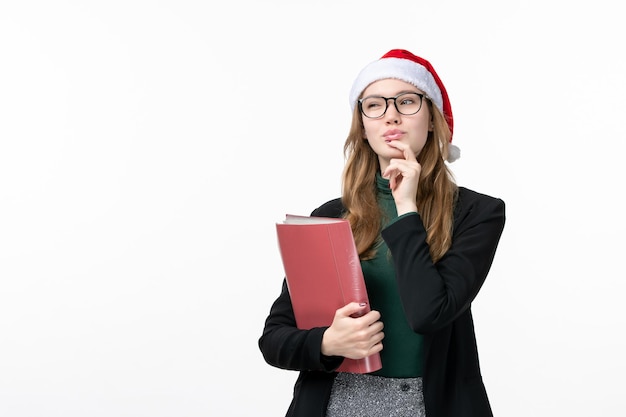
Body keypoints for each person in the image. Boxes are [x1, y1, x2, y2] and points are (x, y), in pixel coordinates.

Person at [258, 49, 506, 417]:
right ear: (362, 126)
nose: (391, 114)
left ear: (433, 120)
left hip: (426, 403)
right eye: (374, 105)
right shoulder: (329, 217)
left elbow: (428, 314)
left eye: (407, 101)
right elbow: (274, 339)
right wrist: (327, 342)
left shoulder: (477, 213)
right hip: (335, 401)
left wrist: (406, 207)